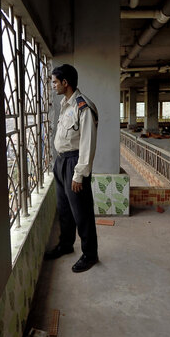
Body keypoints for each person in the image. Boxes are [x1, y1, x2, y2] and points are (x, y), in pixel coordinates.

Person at [44, 64, 99, 273]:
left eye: (55, 82)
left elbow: (87, 144)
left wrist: (79, 174)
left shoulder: (83, 107)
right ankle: (66, 245)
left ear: (65, 83)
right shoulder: (65, 104)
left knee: (82, 211)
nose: (53, 86)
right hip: (61, 163)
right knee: (64, 209)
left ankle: (90, 254)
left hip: (75, 164)